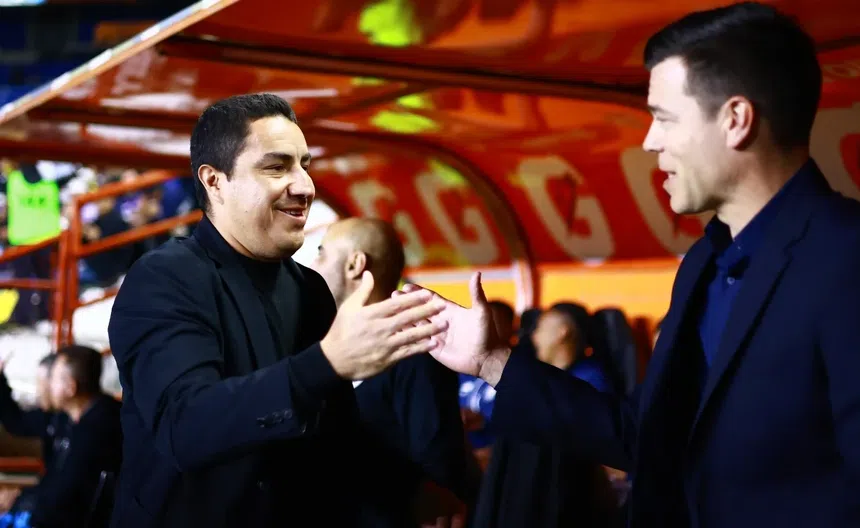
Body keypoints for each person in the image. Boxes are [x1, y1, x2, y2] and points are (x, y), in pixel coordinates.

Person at [398, 3, 860, 527]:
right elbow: (645, 433)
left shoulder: (846, 259)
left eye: (664, 118)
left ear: (736, 120)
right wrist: (492, 361)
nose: (649, 140)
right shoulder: (705, 262)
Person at [107, 94, 447, 528]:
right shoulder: (164, 278)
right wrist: (326, 363)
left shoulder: (310, 289)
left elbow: (338, 440)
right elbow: (183, 426)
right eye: (276, 167)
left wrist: (416, 490)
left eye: (304, 164)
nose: (305, 186)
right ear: (214, 181)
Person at [311, 217, 480, 528]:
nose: (312, 265)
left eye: (321, 253)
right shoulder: (319, 346)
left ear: (355, 265)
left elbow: (440, 464)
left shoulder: (414, 353)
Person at [0, 354, 70, 518]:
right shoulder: (52, 417)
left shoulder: (78, 425)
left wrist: (19, 501)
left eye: (42, 384)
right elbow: (16, 422)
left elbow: (65, 488)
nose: (39, 391)